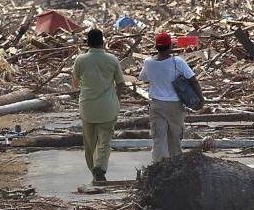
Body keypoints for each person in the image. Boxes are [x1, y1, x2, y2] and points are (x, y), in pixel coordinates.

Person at [139, 32, 204, 161]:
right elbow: (193, 80)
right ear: (170, 46)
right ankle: (175, 167)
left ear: (156, 47)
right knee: (175, 138)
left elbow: (143, 78)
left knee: (159, 138)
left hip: (156, 105)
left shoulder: (148, 63)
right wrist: (201, 99)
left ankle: (158, 168)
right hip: (174, 105)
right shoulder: (177, 62)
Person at [72, 28, 125, 182]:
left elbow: (75, 84)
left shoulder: (80, 60)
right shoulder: (112, 59)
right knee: (104, 141)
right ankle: (100, 168)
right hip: (108, 107)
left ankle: (94, 171)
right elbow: (121, 84)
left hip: (87, 107)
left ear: (87, 43)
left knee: (89, 143)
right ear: (103, 42)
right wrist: (116, 99)